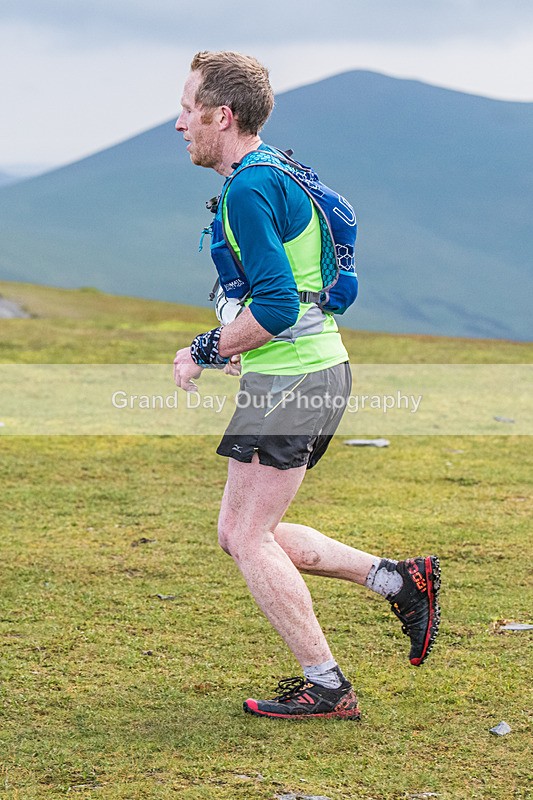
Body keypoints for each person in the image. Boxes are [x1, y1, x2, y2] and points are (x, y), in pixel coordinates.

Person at [173, 51, 440, 720]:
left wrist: (203, 348)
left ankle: (327, 685)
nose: (178, 124)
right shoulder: (270, 171)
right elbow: (285, 291)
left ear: (221, 115)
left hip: (298, 379)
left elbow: (277, 307)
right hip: (290, 375)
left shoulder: (251, 188)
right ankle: (398, 581)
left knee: (251, 536)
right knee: (238, 532)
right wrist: (241, 345)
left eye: (186, 109)